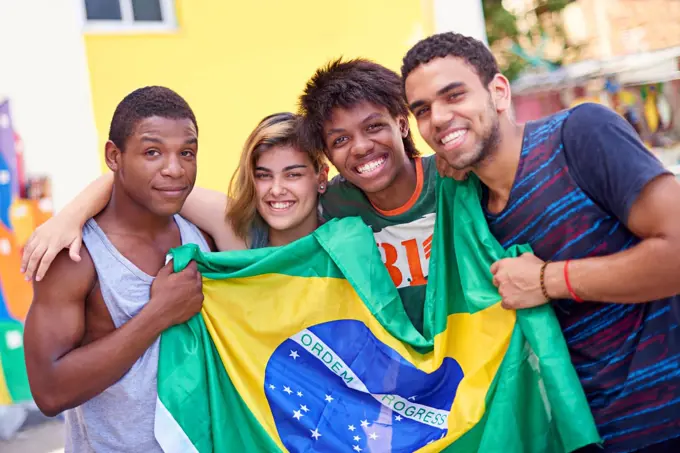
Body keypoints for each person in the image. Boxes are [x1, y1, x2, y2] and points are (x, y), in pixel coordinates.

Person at [401, 31, 680, 453]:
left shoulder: (579, 134)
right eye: (423, 110)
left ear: (498, 91)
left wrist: (550, 280)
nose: (437, 119)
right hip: (579, 434)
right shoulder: (467, 209)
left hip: (666, 419)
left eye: (454, 95)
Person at [22, 59, 436, 334]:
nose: (278, 190)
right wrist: (68, 217)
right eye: (263, 176)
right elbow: (145, 184)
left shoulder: (341, 216)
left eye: (293, 175)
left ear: (320, 177)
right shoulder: (238, 229)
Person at [23, 86, 214, 452]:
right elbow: (48, 392)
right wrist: (157, 314)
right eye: (153, 152)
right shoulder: (75, 254)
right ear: (114, 156)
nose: (174, 169)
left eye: (187, 153)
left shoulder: (204, 232)